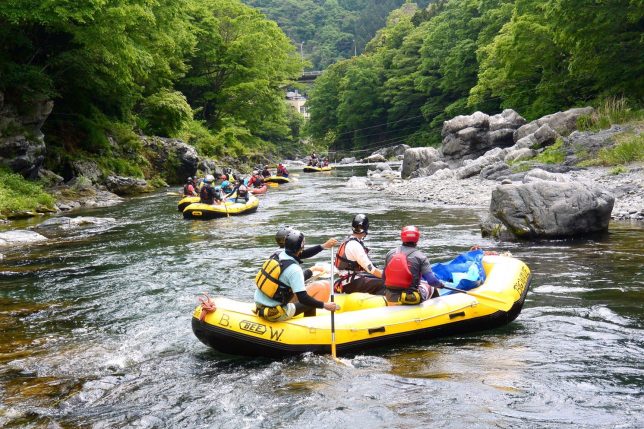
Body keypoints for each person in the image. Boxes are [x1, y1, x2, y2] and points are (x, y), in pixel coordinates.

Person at [254, 230, 339, 322]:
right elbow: (303, 299)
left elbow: (303, 254)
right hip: (274, 313)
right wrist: (325, 305)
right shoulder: (295, 269)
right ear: (300, 248)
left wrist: (323, 246)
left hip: (259, 306)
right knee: (310, 303)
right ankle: (309, 328)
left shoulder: (277, 255)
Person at [383, 226, 443, 305]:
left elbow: (384, 277)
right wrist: (441, 285)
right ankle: (436, 311)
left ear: (402, 237)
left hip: (390, 296)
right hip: (410, 298)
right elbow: (432, 281)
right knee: (431, 287)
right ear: (417, 238)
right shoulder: (421, 256)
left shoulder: (390, 253)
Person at [333, 214, 385, 295]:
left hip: (347, 280)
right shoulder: (355, 245)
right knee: (385, 283)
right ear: (366, 229)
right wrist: (388, 277)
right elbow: (371, 269)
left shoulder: (347, 241)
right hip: (351, 283)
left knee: (378, 276)